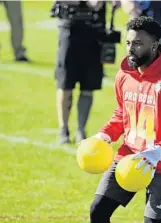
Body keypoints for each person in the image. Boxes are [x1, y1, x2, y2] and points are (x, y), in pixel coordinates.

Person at [88, 16, 161, 223]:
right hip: (128, 158)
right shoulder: (124, 75)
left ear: (155, 45)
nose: (131, 49)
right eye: (128, 43)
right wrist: (105, 134)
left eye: (138, 44)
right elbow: (122, 113)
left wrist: (159, 150)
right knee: (98, 210)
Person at [52, 1, 107, 144]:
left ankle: (81, 130)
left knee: (88, 87)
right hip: (70, 30)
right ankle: (63, 129)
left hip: (94, 32)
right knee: (65, 85)